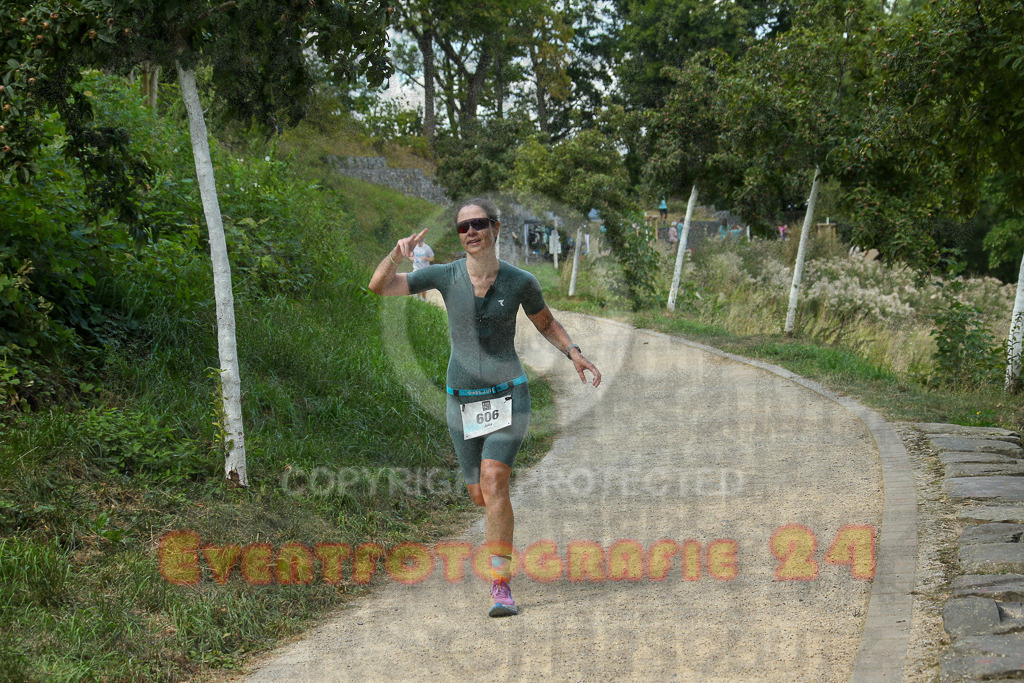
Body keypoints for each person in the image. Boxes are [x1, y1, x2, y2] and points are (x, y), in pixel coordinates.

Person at [367, 198, 601, 618]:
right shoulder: (444, 275)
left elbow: (546, 322)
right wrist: (397, 254)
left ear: (496, 227)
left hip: (510, 394)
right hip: (462, 401)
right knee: (479, 494)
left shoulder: (520, 281)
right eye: (463, 227)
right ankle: (499, 533)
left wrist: (574, 352)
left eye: (478, 224)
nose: (471, 232)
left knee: (494, 481)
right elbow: (380, 286)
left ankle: (500, 585)